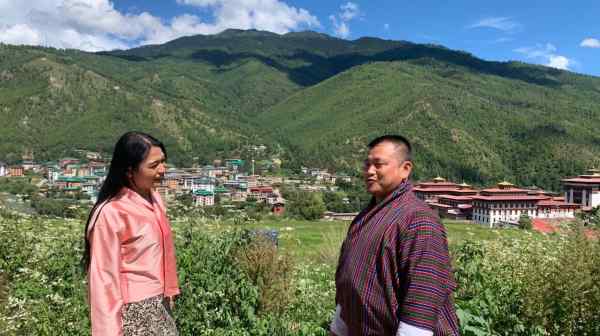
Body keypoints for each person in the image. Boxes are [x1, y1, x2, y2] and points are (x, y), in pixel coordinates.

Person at [331, 135, 459, 336]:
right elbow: (349, 284)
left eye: (378, 164)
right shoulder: (363, 218)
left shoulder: (419, 222)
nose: (369, 171)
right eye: (367, 164)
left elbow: (421, 303)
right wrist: (338, 329)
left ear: (405, 169)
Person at [82, 131, 180, 336]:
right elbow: (103, 281)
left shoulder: (154, 200)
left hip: (160, 307)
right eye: (153, 165)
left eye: (163, 162)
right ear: (129, 171)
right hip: (134, 314)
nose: (162, 170)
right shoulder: (111, 212)